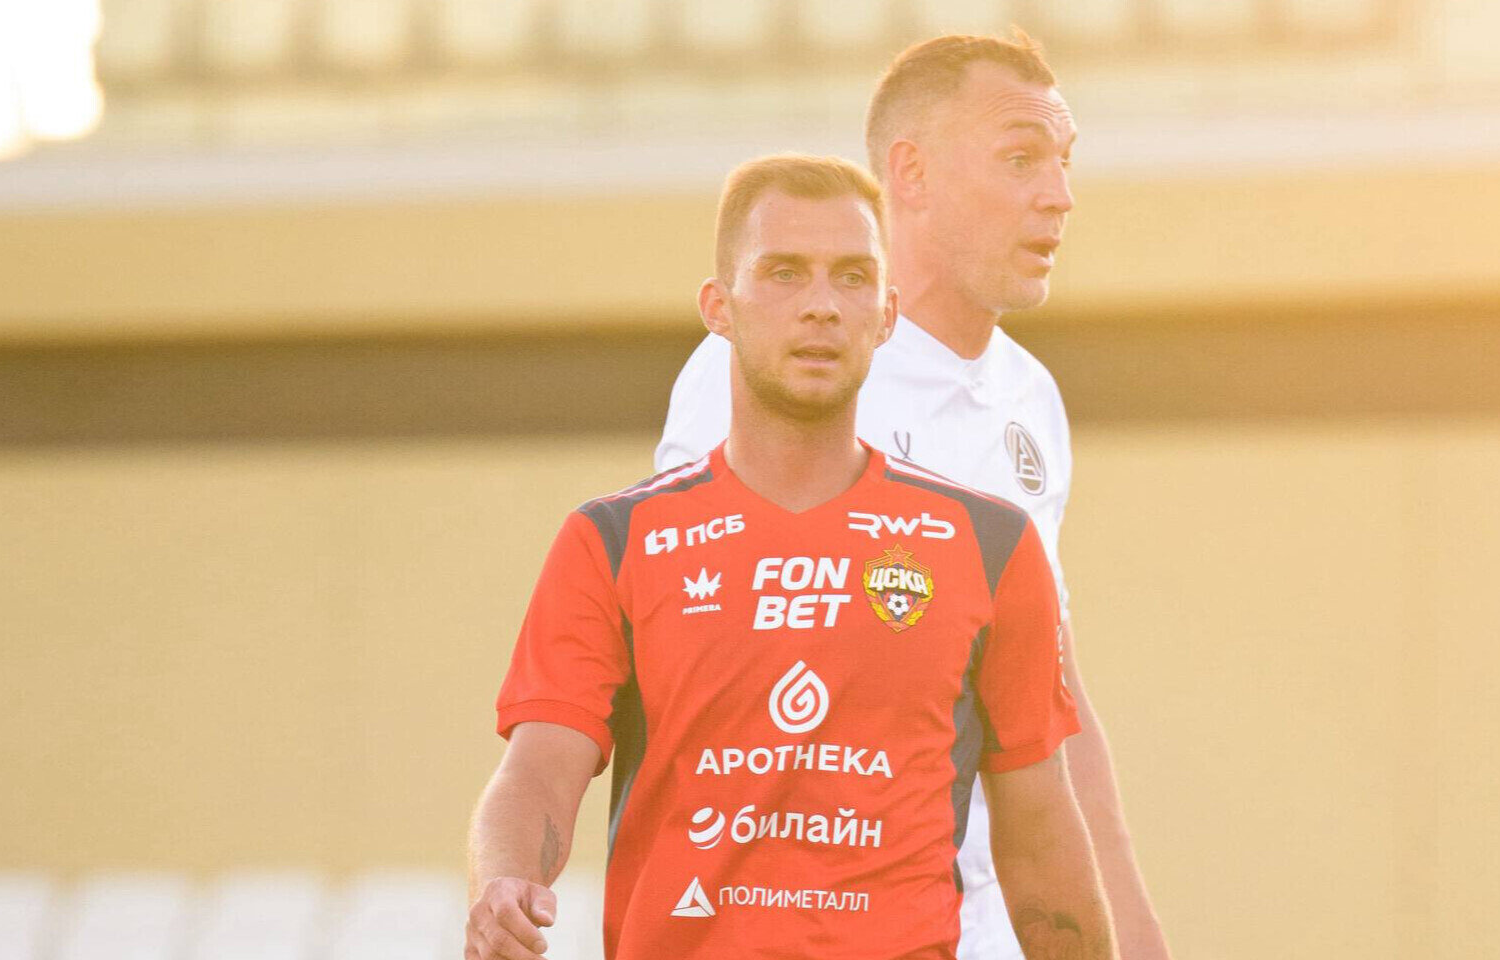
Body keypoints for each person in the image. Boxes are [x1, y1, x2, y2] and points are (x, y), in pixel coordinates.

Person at [466, 155, 1114, 960]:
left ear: (886, 314)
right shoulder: (615, 540)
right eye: (782, 273)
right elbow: (537, 771)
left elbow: (1041, 832)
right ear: (719, 307)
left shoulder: (989, 545)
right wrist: (504, 880)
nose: (820, 306)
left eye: (852, 277)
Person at [656, 33, 1170, 960]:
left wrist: (1131, 929)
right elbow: (691, 662)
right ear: (911, 173)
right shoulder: (765, 366)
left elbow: (1049, 696)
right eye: (1020, 158)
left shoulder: (1029, 398)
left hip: (988, 927)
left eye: (1064, 162)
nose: (1058, 194)